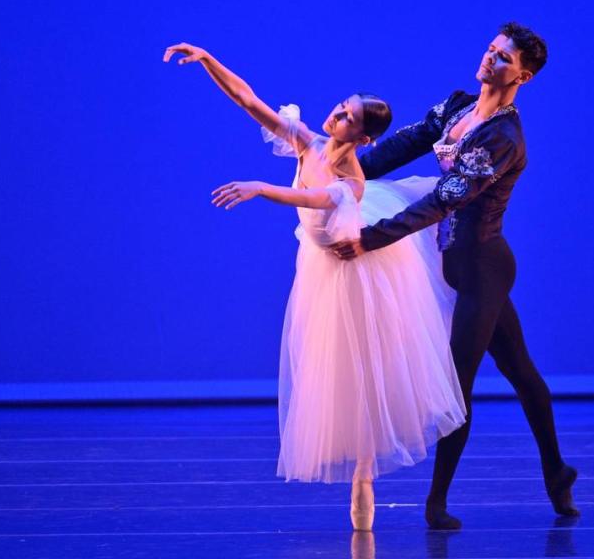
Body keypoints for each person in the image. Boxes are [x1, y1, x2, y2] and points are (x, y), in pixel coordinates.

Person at [163, 42, 466, 531]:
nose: (335, 117)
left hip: (361, 277)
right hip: (320, 270)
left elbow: (309, 196)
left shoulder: (352, 179)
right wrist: (208, 61)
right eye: (339, 107)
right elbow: (249, 101)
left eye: (347, 117)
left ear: (364, 137)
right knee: (333, 372)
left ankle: (365, 476)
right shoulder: (310, 143)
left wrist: (261, 188)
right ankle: (359, 477)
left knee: (366, 373)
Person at [330, 23, 580, 529]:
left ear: (523, 76)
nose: (491, 60)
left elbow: (446, 197)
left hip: (484, 269)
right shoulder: (458, 107)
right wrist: (344, 166)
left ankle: (435, 503)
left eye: (504, 58)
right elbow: (400, 148)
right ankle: (557, 471)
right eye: (492, 50)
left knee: (455, 384)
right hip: (456, 263)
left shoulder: (504, 137)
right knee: (522, 372)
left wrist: (371, 237)